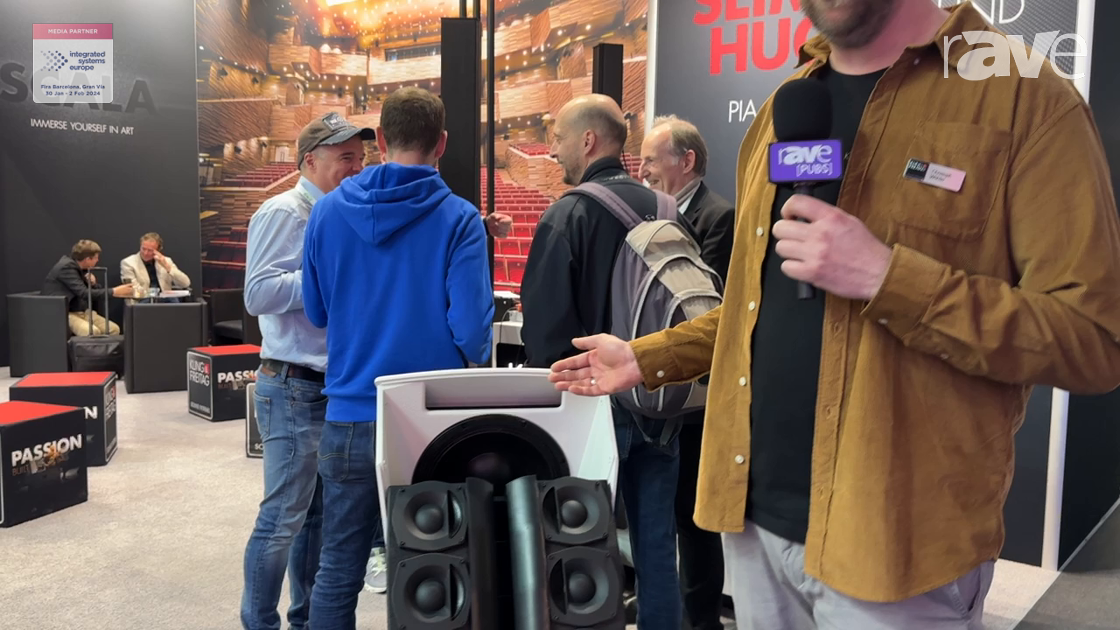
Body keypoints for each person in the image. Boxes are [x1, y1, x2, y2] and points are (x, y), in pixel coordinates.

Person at [547, 1, 1120, 628]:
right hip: (754, 529)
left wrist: (888, 278)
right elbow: (751, 308)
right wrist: (646, 356)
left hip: (897, 551)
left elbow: (1093, 339)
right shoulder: (785, 105)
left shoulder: (1025, 98)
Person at [302, 86, 494, 629]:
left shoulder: (326, 212)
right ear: (442, 143)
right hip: (430, 418)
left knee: (338, 567)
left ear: (381, 139)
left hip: (350, 415)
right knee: (435, 565)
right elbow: (473, 334)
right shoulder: (460, 218)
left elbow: (316, 311)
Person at [520, 93, 683, 630]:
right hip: (661, 398)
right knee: (657, 543)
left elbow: (544, 334)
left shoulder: (568, 214)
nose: (553, 150)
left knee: (580, 544)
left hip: (591, 406)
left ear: (588, 140)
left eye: (559, 138)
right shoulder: (668, 209)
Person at [240, 111, 375, 630]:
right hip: (293, 385)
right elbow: (258, 294)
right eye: (345, 158)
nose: (357, 167)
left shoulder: (343, 213)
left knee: (316, 519)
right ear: (309, 162)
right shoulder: (284, 211)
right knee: (282, 520)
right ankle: (260, 623)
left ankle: (304, 621)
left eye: (361, 157)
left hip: (332, 386)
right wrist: (325, 277)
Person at [639, 115, 734, 630]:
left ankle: (701, 620)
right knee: (664, 512)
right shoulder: (651, 214)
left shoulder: (720, 217)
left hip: (698, 393)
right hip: (657, 386)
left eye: (651, 160)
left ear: (687, 160)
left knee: (696, 520)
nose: (643, 170)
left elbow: (700, 303)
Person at [42, 239, 133, 335]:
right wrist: (114, 291)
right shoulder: (66, 268)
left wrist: (93, 284)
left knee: (114, 329)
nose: (97, 260)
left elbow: (94, 293)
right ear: (87, 259)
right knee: (92, 332)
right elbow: (84, 293)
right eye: (96, 258)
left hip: (82, 311)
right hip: (66, 313)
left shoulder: (82, 269)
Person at [120, 232, 191, 300]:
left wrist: (167, 267)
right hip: (142, 301)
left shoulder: (166, 261)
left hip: (166, 300)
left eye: (150, 250)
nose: (145, 253)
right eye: (143, 249)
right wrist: (155, 294)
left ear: (158, 250)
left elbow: (185, 283)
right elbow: (132, 290)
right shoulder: (128, 263)